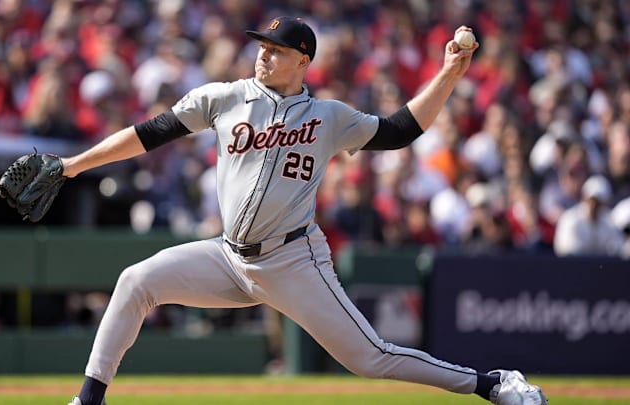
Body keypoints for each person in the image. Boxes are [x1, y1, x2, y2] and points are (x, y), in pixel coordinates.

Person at [59, 17, 546, 405]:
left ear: (302, 61)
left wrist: (447, 75)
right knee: (135, 281)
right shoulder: (225, 98)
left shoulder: (327, 117)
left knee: (371, 358)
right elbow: (149, 133)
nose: (263, 55)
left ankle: (493, 384)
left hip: (294, 261)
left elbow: (399, 130)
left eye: (275, 50)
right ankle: (89, 400)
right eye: (261, 46)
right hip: (230, 257)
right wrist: (74, 165)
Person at [553, 174, 625, 257]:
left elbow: (617, 249)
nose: (594, 205)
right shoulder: (569, 220)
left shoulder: (609, 221)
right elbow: (567, 252)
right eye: (592, 200)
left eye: (599, 202)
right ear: (584, 198)